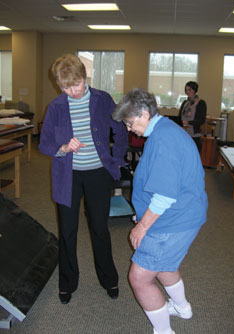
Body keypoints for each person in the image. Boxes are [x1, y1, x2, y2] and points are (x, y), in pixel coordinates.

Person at [112, 88, 208, 334]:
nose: (128, 128)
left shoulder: (163, 140)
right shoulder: (165, 129)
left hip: (172, 221)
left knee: (140, 278)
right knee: (165, 265)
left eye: (130, 123)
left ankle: (164, 331)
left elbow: (165, 195)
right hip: (185, 213)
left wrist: (142, 225)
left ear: (145, 114)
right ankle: (182, 308)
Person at [39, 54, 128, 304]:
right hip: (67, 176)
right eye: (66, 87)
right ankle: (67, 281)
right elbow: (45, 143)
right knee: (67, 230)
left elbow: (119, 130)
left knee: (99, 228)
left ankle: (109, 278)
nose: (72, 91)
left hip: (98, 174)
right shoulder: (56, 106)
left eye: (75, 84)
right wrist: (63, 148)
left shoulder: (102, 100)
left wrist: (118, 159)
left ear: (84, 78)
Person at [178, 81, 207, 152]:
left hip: (194, 135)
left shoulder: (201, 103)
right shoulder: (185, 103)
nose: (187, 91)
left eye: (189, 89)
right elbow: (180, 117)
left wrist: (188, 122)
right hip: (183, 133)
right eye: (186, 90)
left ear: (195, 90)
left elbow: (201, 120)